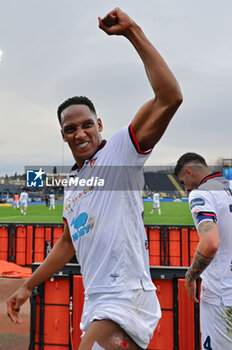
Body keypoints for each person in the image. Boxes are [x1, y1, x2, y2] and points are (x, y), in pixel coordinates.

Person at [7, 8, 182, 350]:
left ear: (99, 125)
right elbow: (67, 244)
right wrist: (29, 284)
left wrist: (132, 32)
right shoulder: (73, 185)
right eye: (70, 129)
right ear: (63, 136)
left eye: (86, 124)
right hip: (97, 300)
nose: (80, 132)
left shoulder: (119, 151)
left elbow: (170, 97)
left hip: (126, 298)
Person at [174, 152, 232, 350]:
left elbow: (210, 243)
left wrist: (191, 276)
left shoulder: (202, 193)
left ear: (189, 172)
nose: (186, 188)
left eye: (183, 182)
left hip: (222, 297)